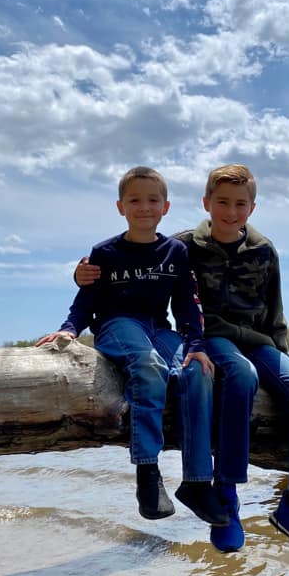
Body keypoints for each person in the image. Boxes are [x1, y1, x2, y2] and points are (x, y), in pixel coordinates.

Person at [76, 164, 289, 566]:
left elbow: (275, 311)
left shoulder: (264, 250)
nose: (230, 212)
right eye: (222, 203)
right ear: (206, 203)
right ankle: (226, 495)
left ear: (252, 207)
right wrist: (84, 276)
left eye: (239, 205)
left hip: (259, 341)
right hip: (211, 337)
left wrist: (283, 362)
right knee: (239, 376)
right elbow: (144, 267)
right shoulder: (182, 246)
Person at [37, 166, 228, 527]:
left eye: (153, 200)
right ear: (120, 206)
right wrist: (69, 330)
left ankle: (198, 481)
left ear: (166, 207)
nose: (144, 207)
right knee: (149, 365)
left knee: (198, 372)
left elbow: (186, 304)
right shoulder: (105, 252)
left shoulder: (175, 252)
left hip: (159, 328)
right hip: (116, 325)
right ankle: (147, 472)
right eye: (135, 200)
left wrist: (196, 345)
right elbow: (85, 300)